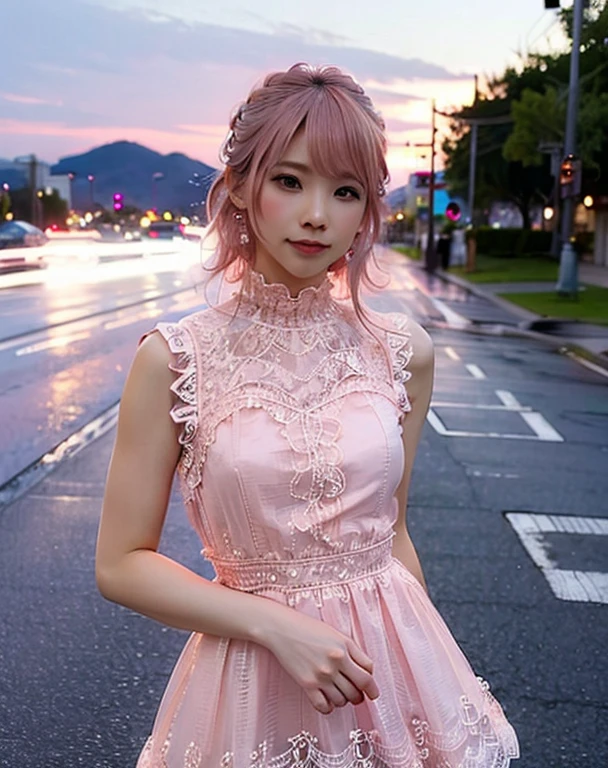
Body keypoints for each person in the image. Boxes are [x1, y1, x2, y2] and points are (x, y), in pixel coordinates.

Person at [96, 63, 519, 767]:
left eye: (345, 190)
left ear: (366, 209)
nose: (318, 213)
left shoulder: (402, 351)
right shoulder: (174, 359)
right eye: (290, 180)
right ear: (239, 187)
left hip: (382, 674)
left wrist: (425, 672)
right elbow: (121, 563)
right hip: (252, 679)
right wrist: (273, 625)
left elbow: (393, 534)